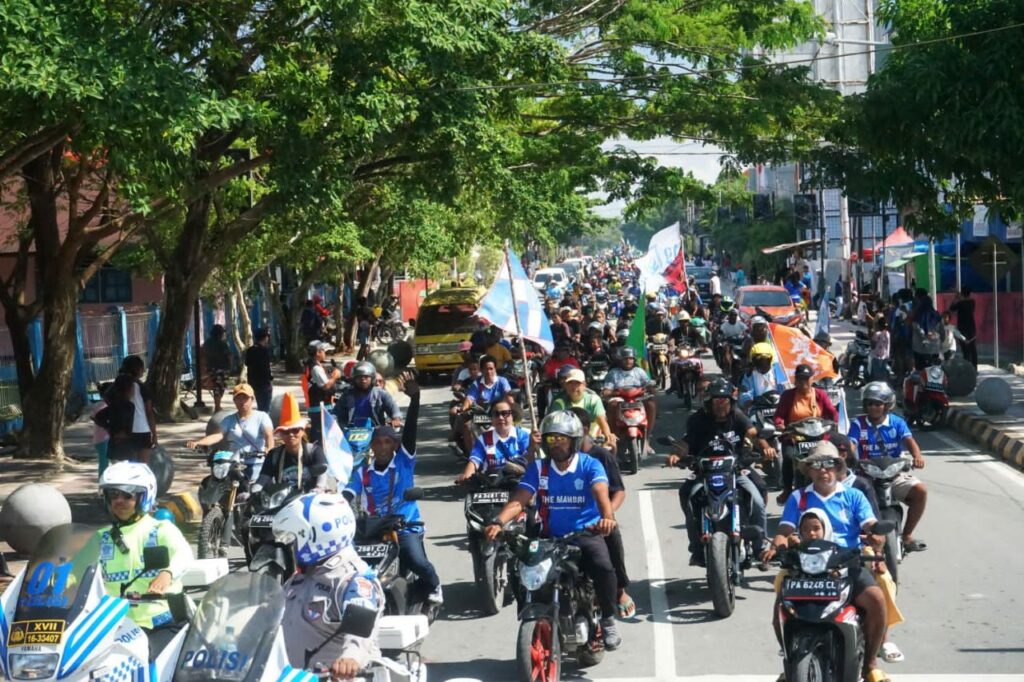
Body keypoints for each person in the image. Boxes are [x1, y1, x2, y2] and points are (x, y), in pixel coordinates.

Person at [484, 411, 622, 649]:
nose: (556, 444)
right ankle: (531, 611)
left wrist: (607, 518)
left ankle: (608, 619)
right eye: (551, 439)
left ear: (574, 441)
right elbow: (519, 499)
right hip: (549, 538)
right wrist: (498, 522)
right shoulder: (539, 468)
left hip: (584, 534)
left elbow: (601, 493)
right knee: (520, 569)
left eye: (562, 439)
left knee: (603, 567)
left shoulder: (590, 464)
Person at [761, 445, 890, 682]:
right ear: (809, 470)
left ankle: (871, 663)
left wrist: (876, 535)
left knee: (877, 599)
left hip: (847, 563)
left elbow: (870, 524)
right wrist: (775, 546)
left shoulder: (853, 496)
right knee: (780, 609)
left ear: (838, 467)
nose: (823, 470)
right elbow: (784, 529)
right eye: (817, 465)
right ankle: (790, 660)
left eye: (829, 464)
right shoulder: (798, 497)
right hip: (805, 565)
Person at [345, 373, 443, 605]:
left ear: (395, 445)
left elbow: (410, 432)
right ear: (371, 446)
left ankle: (435, 585)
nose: (382, 447)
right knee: (351, 565)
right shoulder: (362, 472)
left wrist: (415, 399)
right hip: (373, 529)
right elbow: (349, 492)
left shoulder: (404, 462)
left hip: (405, 527)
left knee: (417, 561)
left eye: (388, 442)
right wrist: (337, 501)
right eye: (378, 443)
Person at [273, 492, 385, 678]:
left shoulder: (352, 580)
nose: (292, 546)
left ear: (316, 537)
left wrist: (350, 658)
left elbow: (361, 628)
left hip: (339, 677)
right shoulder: (300, 577)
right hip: (291, 677)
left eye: (296, 539)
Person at [91, 462, 193, 657]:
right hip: (115, 624)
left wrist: (167, 573)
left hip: (160, 622)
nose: (119, 501)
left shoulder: (160, 530)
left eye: (127, 495)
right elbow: (78, 568)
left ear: (143, 498)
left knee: (152, 665)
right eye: (113, 495)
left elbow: (184, 554)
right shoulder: (100, 537)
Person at [667, 378, 772, 566]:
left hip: (736, 470)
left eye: (725, 400)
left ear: (731, 402)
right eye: (717, 400)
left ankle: (760, 547)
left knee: (758, 496)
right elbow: (686, 442)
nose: (721, 404)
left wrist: (765, 447)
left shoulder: (737, 416)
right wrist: (676, 454)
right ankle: (696, 547)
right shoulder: (697, 419)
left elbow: (752, 433)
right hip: (704, 472)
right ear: (709, 402)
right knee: (687, 495)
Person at [847, 382, 928, 552]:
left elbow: (909, 441)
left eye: (878, 404)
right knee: (848, 499)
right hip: (866, 475)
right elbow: (851, 444)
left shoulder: (897, 422)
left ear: (887, 405)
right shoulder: (858, 424)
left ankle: (907, 536)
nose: (874, 407)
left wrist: (917, 456)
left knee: (920, 491)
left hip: (894, 473)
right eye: (870, 403)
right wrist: (847, 457)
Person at [571, 408, 634, 618]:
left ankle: (619, 590)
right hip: (569, 519)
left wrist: (607, 516)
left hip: (597, 519)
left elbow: (618, 491)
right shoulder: (559, 458)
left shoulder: (601, 456)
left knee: (612, 537)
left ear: (584, 431)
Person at [773, 364, 840, 503]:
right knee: (788, 456)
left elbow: (832, 412)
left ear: (812, 379)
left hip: (818, 437)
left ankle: (835, 485)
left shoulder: (820, 394)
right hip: (794, 437)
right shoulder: (788, 395)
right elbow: (779, 415)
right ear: (795, 380)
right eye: (800, 379)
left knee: (833, 455)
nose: (803, 382)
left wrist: (834, 422)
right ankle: (787, 489)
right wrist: (780, 424)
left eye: (806, 379)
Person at [187, 383, 275, 482]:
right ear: (234, 401)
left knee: (255, 489)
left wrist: (268, 450)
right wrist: (199, 442)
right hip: (233, 464)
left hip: (255, 464)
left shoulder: (262, 417)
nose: (242, 401)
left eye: (245, 398)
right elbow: (217, 435)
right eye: (239, 398)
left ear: (252, 399)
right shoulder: (228, 420)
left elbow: (269, 437)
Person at [257, 392, 328, 492]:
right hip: (281, 499)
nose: (291, 434)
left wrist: (319, 488)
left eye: (295, 430)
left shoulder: (314, 450)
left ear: (302, 431)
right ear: (280, 433)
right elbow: (263, 479)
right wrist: (252, 492)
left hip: (308, 498)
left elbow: (322, 469)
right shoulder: (274, 455)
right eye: (286, 431)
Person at [455, 399, 537, 482]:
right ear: (491, 418)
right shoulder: (483, 439)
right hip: (491, 483)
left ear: (512, 416)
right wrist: (466, 476)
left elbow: (531, 460)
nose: (500, 418)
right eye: (496, 414)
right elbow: (474, 462)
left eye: (505, 413)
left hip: (520, 483)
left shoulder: (524, 436)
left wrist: (533, 446)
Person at [602, 347, 657, 442]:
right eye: (625, 359)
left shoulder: (639, 372)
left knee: (651, 404)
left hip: (638, 397)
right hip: (619, 397)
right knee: (612, 406)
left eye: (630, 358)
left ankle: (648, 436)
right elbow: (607, 390)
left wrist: (651, 389)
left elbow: (648, 384)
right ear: (620, 360)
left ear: (634, 360)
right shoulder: (613, 373)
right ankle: (612, 436)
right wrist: (611, 392)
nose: (628, 361)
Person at [551, 368, 617, 449]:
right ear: (566, 386)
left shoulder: (594, 400)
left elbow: (602, 421)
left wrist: (608, 436)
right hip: (569, 443)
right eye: (570, 383)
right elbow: (555, 427)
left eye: (577, 383)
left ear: (584, 385)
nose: (574, 387)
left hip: (592, 441)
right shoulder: (559, 403)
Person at [113, 355, 157, 464]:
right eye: (142, 367)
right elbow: (149, 412)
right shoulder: (141, 387)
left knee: (128, 466)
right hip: (142, 430)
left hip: (124, 431)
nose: (144, 370)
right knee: (143, 466)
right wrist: (154, 434)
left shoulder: (117, 385)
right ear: (137, 369)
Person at [334, 361, 403, 429]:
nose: (363, 380)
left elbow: (394, 409)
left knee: (391, 435)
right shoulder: (347, 395)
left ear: (372, 379)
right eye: (359, 377)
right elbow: (336, 412)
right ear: (354, 379)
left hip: (377, 431)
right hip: (350, 431)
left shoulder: (381, 394)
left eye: (366, 377)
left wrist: (396, 419)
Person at [94, 374, 140, 462]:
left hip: (114, 445)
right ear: (128, 389)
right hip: (126, 447)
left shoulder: (113, 405)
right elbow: (130, 425)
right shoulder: (129, 406)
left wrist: (109, 428)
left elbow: (98, 417)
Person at [305, 340, 342, 443]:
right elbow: (326, 386)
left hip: (320, 406)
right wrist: (335, 376)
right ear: (318, 352)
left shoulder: (315, 365)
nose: (325, 353)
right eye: (324, 351)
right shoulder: (315, 367)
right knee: (320, 437)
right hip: (319, 408)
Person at [738, 343, 784, 409]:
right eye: (758, 361)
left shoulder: (778, 372)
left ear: (770, 359)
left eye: (764, 360)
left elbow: (785, 391)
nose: (762, 363)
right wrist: (748, 403)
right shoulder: (749, 375)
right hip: (757, 409)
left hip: (779, 408)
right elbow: (745, 394)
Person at [203, 323, 233, 412]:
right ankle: (217, 406)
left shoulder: (207, 343)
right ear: (220, 333)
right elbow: (229, 356)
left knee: (216, 387)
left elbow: (203, 354)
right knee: (220, 387)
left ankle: (218, 405)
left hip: (210, 367)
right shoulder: (222, 343)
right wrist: (230, 366)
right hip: (221, 368)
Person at [910, 293, 943, 370]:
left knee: (921, 370)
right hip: (934, 347)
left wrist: (925, 337)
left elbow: (916, 328)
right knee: (933, 370)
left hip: (920, 348)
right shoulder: (936, 315)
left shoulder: (917, 315)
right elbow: (941, 330)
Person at [244, 327, 274, 412]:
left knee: (260, 404)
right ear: (265, 338)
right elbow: (266, 367)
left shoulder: (250, 350)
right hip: (264, 382)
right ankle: (264, 419)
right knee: (266, 406)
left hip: (253, 381)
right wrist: (270, 378)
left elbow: (247, 363)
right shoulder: (264, 351)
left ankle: (261, 416)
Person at [947, 287, 978, 367]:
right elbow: (965, 301)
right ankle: (974, 367)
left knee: (965, 350)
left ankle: (967, 367)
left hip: (962, 329)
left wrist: (956, 298)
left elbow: (951, 308)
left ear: (962, 294)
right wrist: (959, 296)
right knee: (972, 349)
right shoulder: (972, 302)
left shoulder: (961, 303)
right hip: (971, 329)